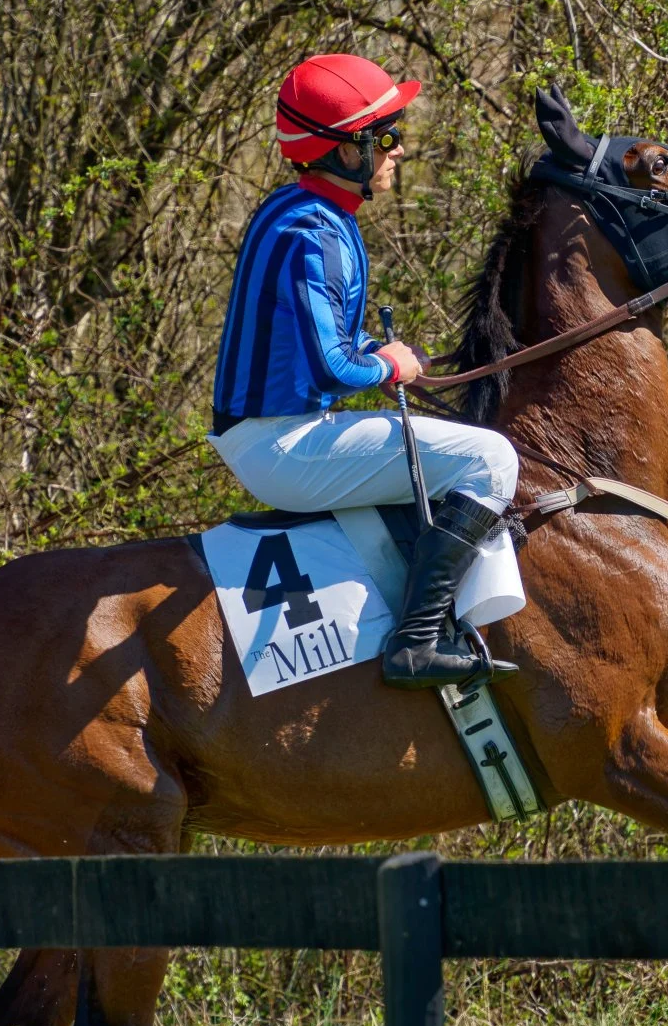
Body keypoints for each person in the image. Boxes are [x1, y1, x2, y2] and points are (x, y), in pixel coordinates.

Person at [209, 53, 519, 689]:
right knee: (491, 461)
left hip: (279, 431)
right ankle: (415, 640)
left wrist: (384, 354)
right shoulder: (311, 232)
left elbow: (320, 339)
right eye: (387, 136)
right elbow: (331, 362)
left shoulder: (308, 211)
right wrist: (384, 362)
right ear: (345, 153)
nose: (399, 149)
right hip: (283, 445)